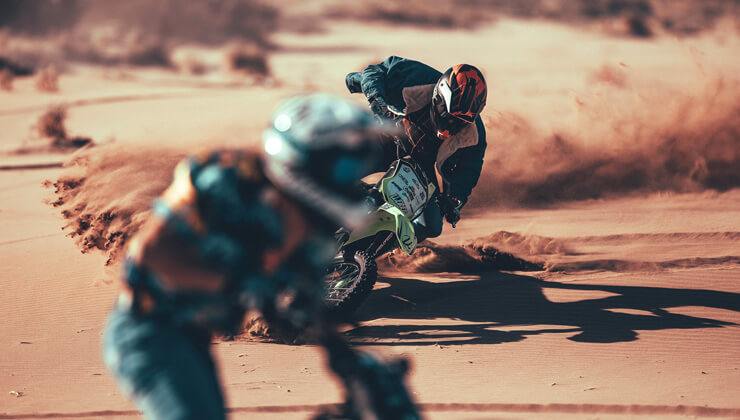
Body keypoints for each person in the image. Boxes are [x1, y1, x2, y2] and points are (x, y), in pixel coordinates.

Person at [102, 94, 420, 420]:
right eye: (345, 167)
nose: (351, 178)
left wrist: (350, 365)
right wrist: (238, 284)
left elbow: (308, 306)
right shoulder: (227, 182)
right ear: (305, 160)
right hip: (147, 331)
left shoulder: (310, 226)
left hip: (192, 337)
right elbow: (148, 255)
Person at [345, 56, 487, 243]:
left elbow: (469, 170)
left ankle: (379, 247)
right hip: (387, 138)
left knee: (432, 226)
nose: (449, 127)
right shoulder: (415, 77)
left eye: (460, 122)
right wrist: (376, 99)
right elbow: (374, 72)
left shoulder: (475, 135)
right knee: (340, 169)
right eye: (449, 116)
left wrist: (455, 200)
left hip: (421, 167)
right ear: (439, 96)